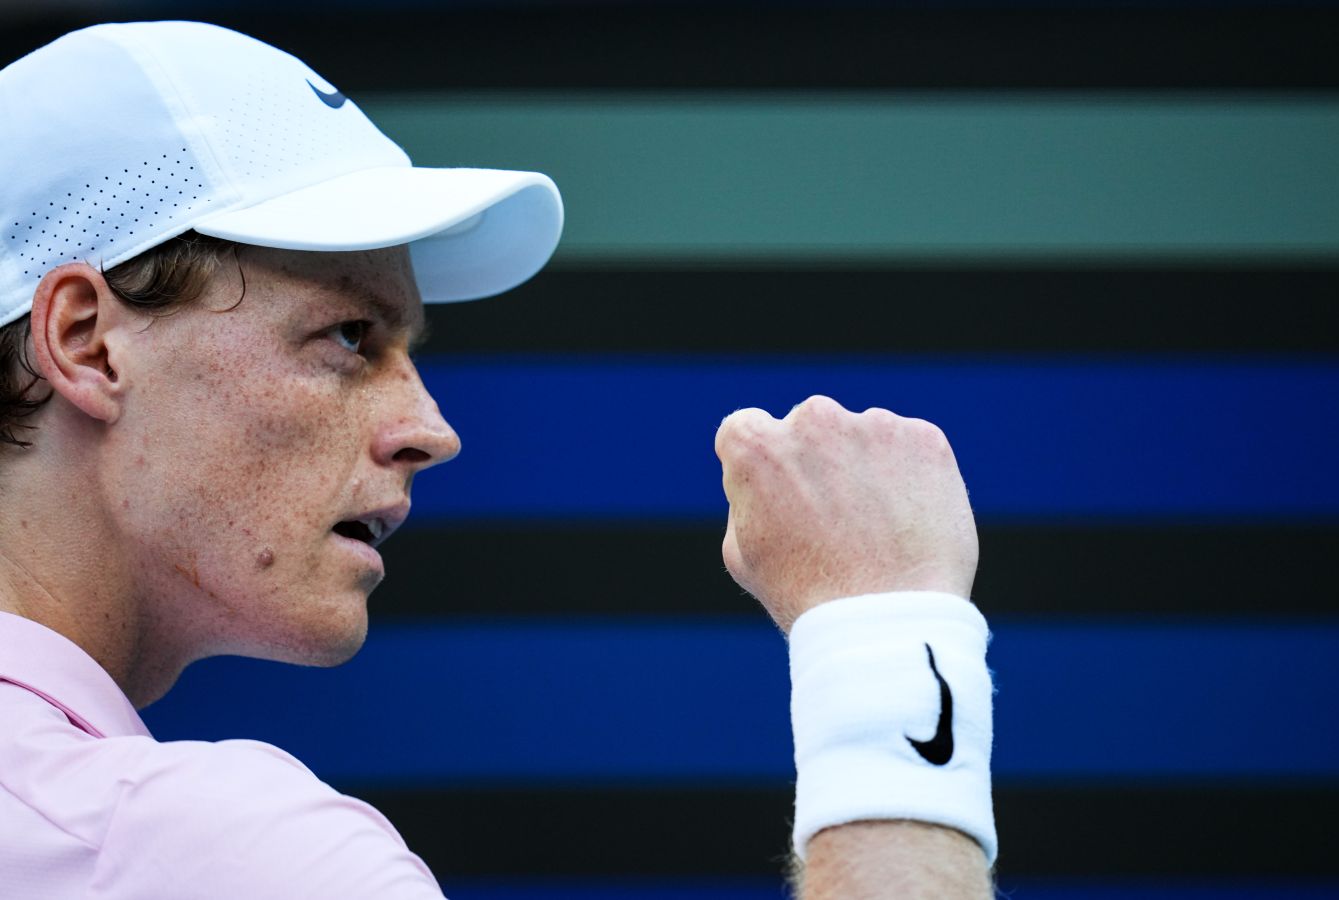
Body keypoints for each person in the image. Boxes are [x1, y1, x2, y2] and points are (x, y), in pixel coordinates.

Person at [0, 21, 996, 899]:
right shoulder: (201, 851)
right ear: (87, 342)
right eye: (348, 335)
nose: (430, 430)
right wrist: (883, 635)